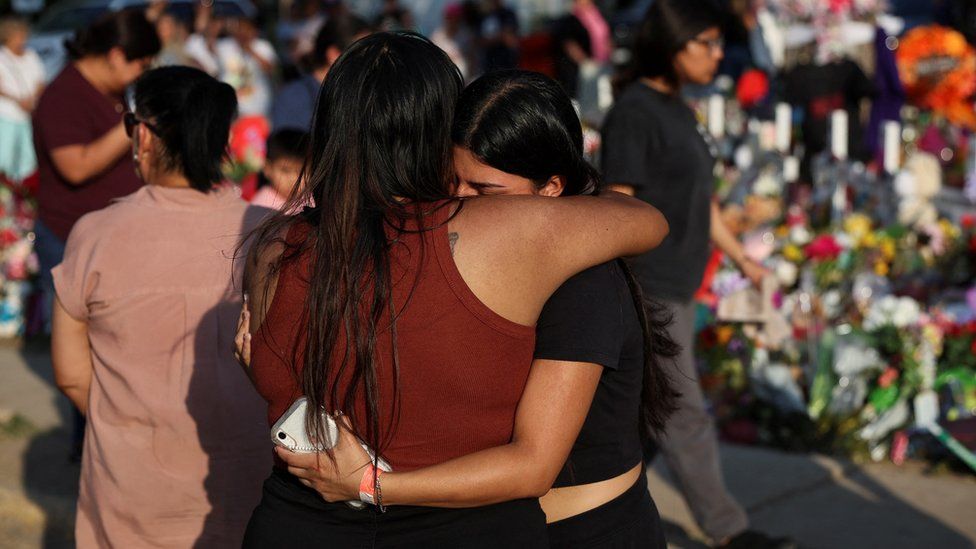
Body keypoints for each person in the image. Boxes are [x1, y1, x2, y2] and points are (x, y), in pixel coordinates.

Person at [238, 32, 668, 547]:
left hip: (291, 525)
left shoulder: (273, 246)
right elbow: (648, 222)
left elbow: (287, 379)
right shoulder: (509, 232)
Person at [51, 66, 271, 548]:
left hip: (130, 486)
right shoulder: (270, 232)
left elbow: (70, 373)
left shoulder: (95, 233)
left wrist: (131, 421)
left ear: (145, 136)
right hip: (249, 479)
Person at [600, 1, 793, 547]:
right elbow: (618, 203)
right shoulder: (635, 112)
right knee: (684, 411)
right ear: (670, 46)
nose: (716, 54)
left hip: (680, 283)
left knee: (649, 420)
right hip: (650, 283)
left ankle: (586, 510)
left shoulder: (680, 108)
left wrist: (742, 259)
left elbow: (702, 202)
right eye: (703, 43)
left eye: (716, 43)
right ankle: (730, 532)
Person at [32, 10, 159, 459]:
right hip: (71, 241)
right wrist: (135, 125)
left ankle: (101, 444)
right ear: (116, 55)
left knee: (114, 354)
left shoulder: (104, 92)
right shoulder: (62, 96)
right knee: (86, 358)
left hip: (109, 240)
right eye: (141, 65)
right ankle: (89, 448)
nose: (142, 74)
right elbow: (76, 165)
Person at [271, 13, 370, 131]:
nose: (373, 63)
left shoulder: (366, 97)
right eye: (365, 55)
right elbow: (286, 148)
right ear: (334, 55)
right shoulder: (294, 99)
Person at [0, 17, 44, 182]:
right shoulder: (1, 57)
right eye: (18, 36)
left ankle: (26, 190)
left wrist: (31, 99)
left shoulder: (31, 55)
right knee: (5, 154)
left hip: (28, 113)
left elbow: (40, 80)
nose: (22, 40)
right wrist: (18, 100)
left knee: (29, 157)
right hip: (6, 113)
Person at [217, 16, 277, 117]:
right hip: (231, 109)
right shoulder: (224, 46)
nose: (242, 32)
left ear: (255, 31)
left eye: (247, 29)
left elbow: (270, 70)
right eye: (240, 28)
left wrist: (250, 51)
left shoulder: (263, 47)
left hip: (259, 108)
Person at [251, 129, 307, 210]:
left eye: (302, 172)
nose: (294, 179)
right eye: (285, 171)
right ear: (267, 169)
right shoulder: (262, 206)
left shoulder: (312, 199)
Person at [481, 0, 519, 71]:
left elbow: (509, 39)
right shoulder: (485, 16)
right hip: (489, 63)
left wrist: (491, 39)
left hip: (507, 62)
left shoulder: (508, 14)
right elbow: (480, 41)